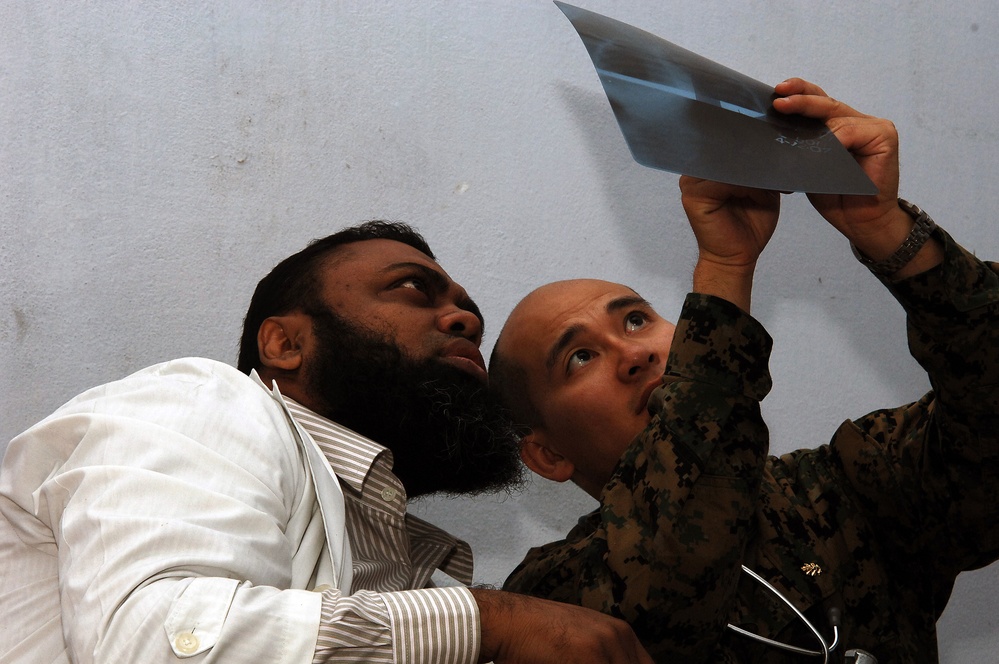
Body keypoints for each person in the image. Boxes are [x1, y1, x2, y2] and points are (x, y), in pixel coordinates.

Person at [490, 78, 999, 663]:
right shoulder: (548, 603)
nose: (635, 355)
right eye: (579, 358)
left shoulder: (837, 491)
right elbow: (674, 561)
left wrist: (888, 232)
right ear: (547, 455)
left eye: (635, 320)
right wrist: (725, 269)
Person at [0, 221, 654, 663]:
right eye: (411, 290)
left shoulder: (408, 563)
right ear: (285, 344)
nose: (464, 319)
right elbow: (157, 642)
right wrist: (488, 622)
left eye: (466, 315)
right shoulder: (209, 400)